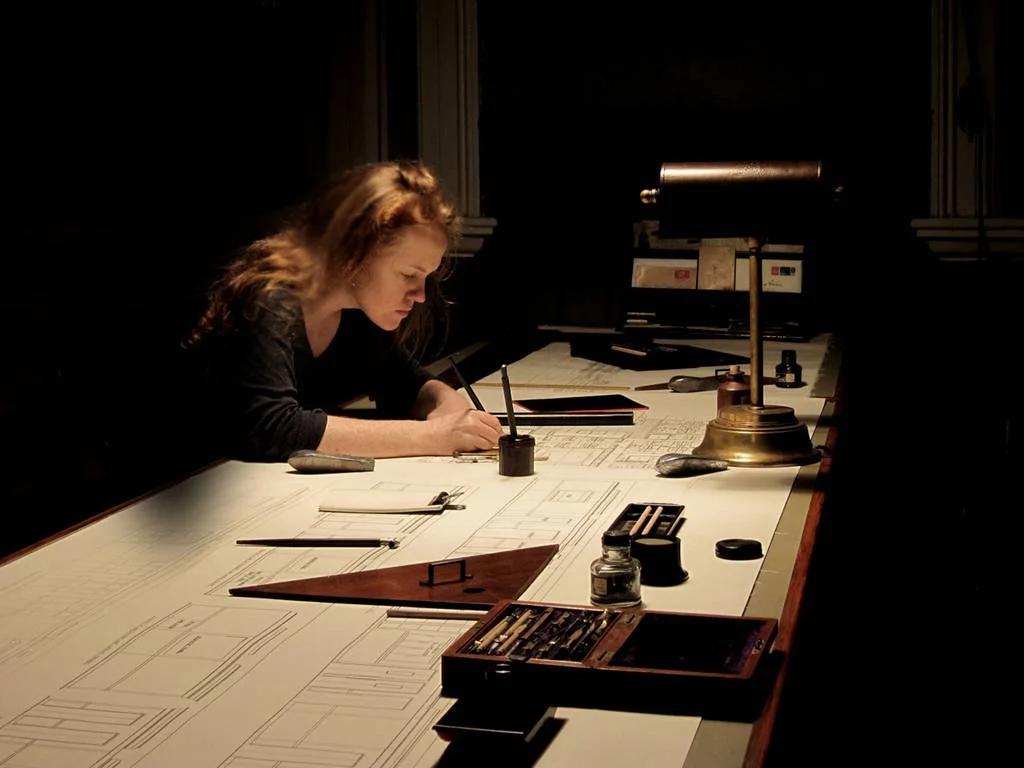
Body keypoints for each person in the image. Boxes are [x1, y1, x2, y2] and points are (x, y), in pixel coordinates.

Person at [186, 160, 503, 462]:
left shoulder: (357, 312)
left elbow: (406, 383)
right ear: (356, 252)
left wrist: (450, 408)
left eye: (426, 278)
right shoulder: (269, 296)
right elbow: (271, 426)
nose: (420, 296)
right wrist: (432, 436)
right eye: (409, 274)